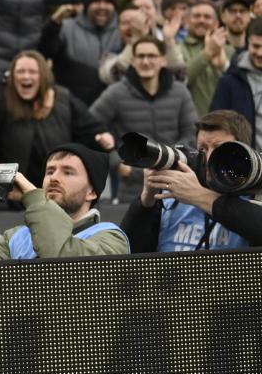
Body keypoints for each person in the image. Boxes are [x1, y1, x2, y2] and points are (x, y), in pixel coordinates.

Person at [0, 144, 130, 261]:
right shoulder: (15, 238)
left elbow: (62, 264)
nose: (54, 178)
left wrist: (33, 196)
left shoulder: (111, 238)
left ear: (92, 192)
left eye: (68, 172)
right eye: (49, 171)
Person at [0, 50, 113, 188]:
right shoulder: (0, 101)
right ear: (11, 76)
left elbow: (91, 130)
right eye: (20, 71)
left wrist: (103, 140)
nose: (26, 76)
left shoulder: (64, 99)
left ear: (43, 75)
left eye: (33, 71)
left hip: (57, 192)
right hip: (13, 196)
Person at [121, 110, 255, 252]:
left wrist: (199, 196)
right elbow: (129, 252)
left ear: (242, 151)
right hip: (170, 274)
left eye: (219, 149)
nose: (208, 158)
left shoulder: (252, 200)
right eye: (202, 149)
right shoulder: (172, 198)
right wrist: (146, 201)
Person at [90, 36, 197, 201]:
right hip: (132, 188)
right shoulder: (116, 93)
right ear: (132, 60)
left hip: (175, 185)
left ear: (163, 60)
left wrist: (172, 160)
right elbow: (90, 127)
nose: (145, 61)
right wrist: (115, 161)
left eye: (152, 56)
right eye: (140, 56)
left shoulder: (180, 92)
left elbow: (190, 134)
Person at [211, 16, 262, 148]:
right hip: (243, 162)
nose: (260, 53)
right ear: (247, 43)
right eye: (256, 46)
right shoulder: (229, 80)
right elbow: (216, 125)